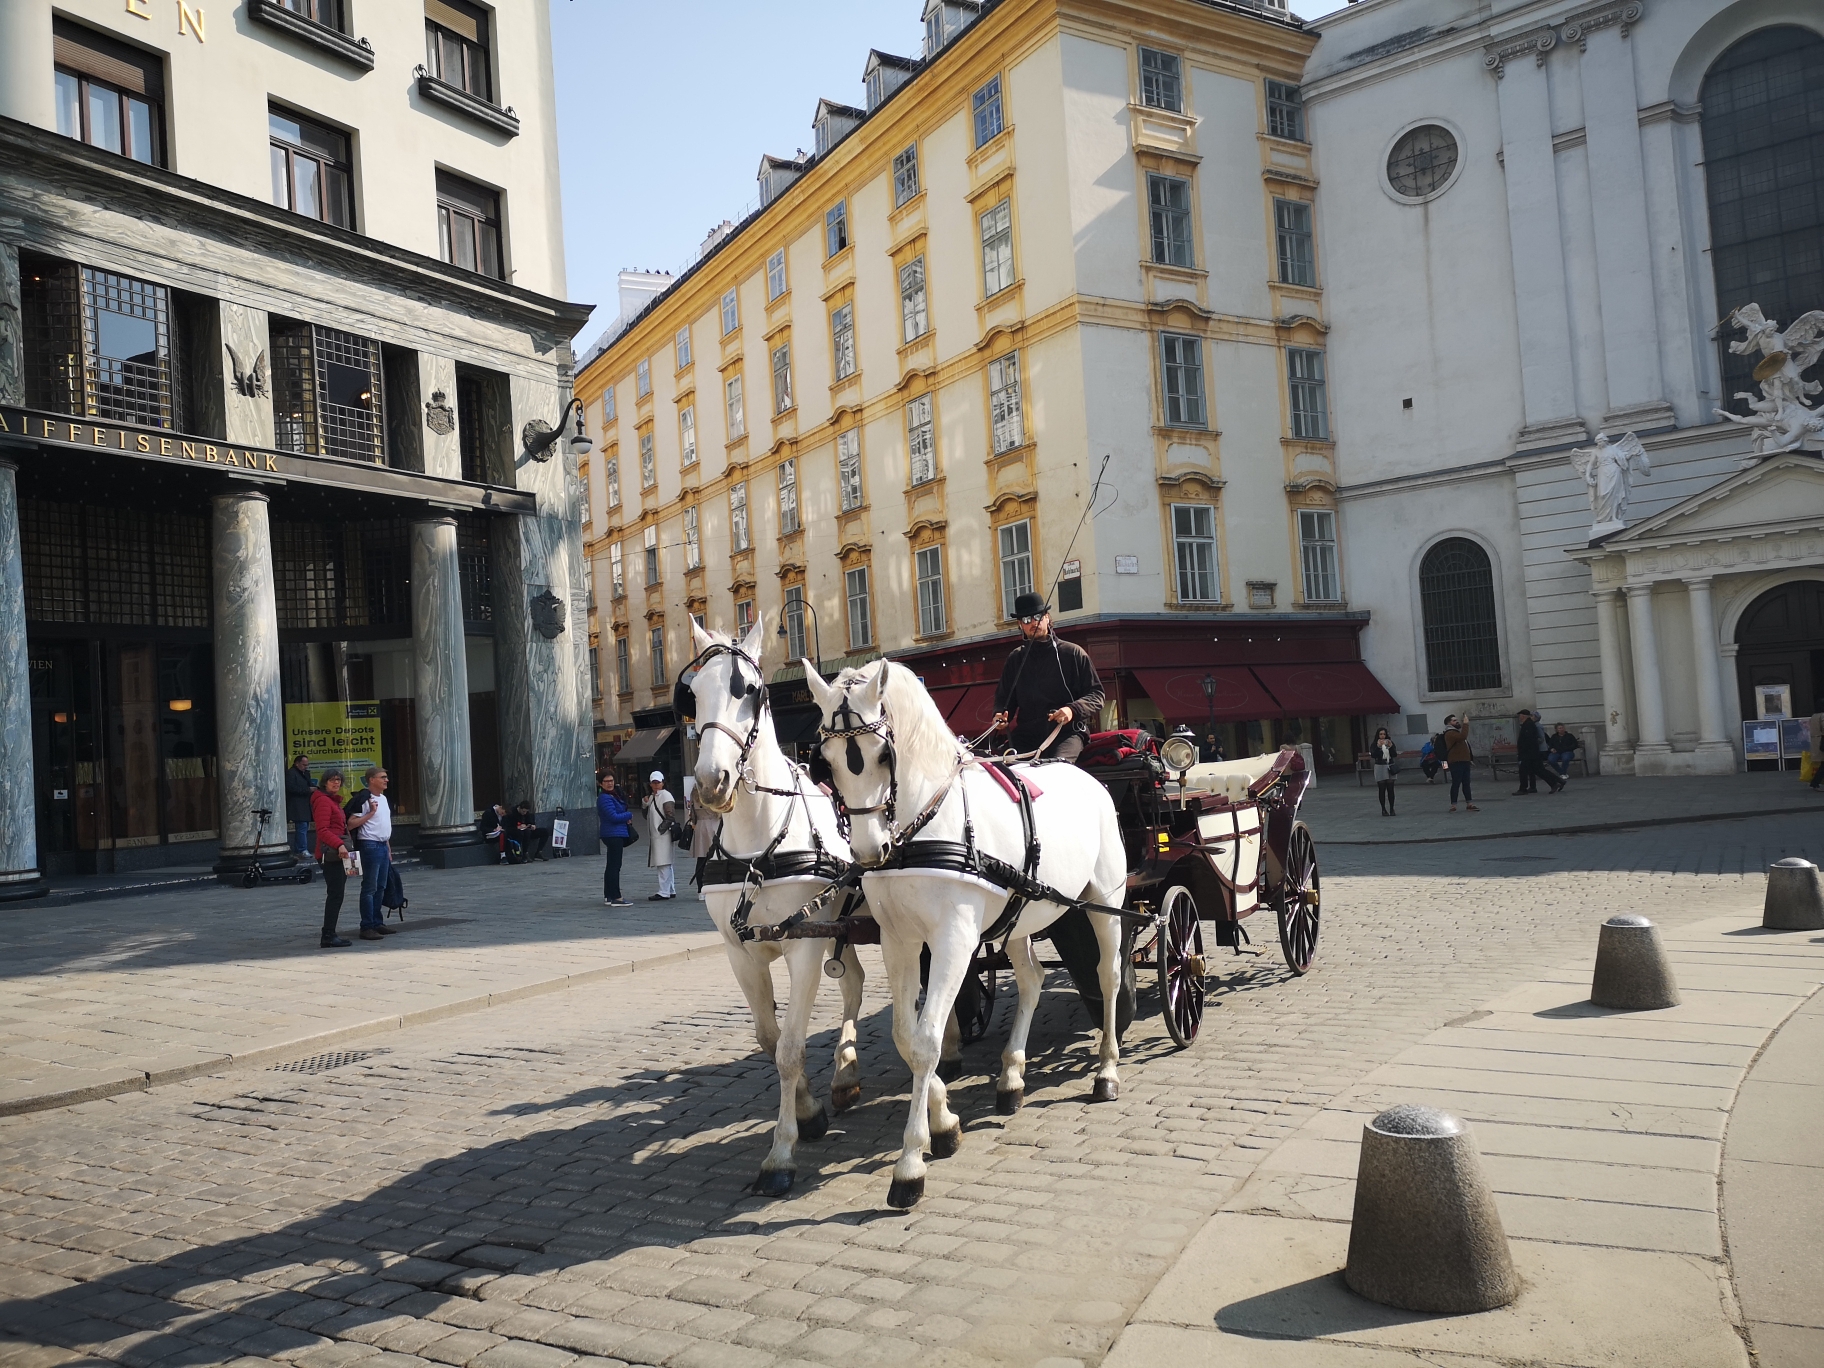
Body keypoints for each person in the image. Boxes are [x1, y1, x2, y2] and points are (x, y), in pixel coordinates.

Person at [990, 593, 1104, 761]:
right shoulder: (1015, 659)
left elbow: (1097, 695)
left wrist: (1072, 710)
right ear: (1020, 624)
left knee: (1058, 769)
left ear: (1047, 618)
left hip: (1066, 733)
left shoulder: (1072, 653)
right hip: (1026, 735)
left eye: (1037, 616)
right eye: (1027, 620)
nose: (1034, 623)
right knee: (999, 770)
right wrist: (999, 714)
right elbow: (1004, 699)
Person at [345, 767, 396, 941]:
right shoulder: (365, 799)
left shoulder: (383, 798)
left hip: (381, 845)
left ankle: (376, 922)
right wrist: (371, 813)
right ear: (371, 780)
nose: (386, 780)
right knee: (370, 887)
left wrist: (388, 847)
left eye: (386, 777)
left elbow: (383, 824)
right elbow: (351, 824)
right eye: (382, 777)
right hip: (370, 845)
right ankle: (366, 926)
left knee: (381, 886)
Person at [310, 770, 352, 948]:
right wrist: (339, 845)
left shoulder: (332, 801)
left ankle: (330, 932)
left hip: (339, 852)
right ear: (324, 782)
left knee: (338, 893)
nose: (336, 784)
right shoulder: (323, 801)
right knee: (335, 894)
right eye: (332, 780)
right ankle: (328, 934)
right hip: (331, 853)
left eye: (338, 781)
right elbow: (323, 830)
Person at [597, 773, 633, 906]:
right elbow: (613, 817)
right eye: (606, 781)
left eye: (611, 780)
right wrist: (628, 815)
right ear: (600, 784)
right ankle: (616, 897)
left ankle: (608, 895)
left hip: (614, 833)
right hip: (613, 834)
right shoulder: (605, 798)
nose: (610, 783)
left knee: (611, 865)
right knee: (615, 866)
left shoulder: (613, 795)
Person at [644, 770, 678, 900]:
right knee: (665, 862)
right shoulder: (653, 797)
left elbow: (670, 816)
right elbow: (647, 815)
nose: (656, 785)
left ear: (663, 783)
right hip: (658, 835)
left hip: (662, 835)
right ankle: (670, 889)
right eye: (654, 782)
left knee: (663, 862)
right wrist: (645, 804)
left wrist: (660, 829)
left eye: (658, 782)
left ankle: (664, 891)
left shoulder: (665, 796)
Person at [1513, 709, 1565, 795]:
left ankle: (1523, 789)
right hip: (1530, 753)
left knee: (1524, 770)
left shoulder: (1529, 725)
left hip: (1529, 753)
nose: (1519, 717)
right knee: (1539, 770)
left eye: (1520, 716)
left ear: (1523, 716)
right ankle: (1557, 782)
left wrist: (1524, 752)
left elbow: (1530, 740)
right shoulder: (1527, 724)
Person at [687, 784, 721, 900]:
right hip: (714, 825)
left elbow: (692, 814)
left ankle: (701, 889)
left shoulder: (694, 793)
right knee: (716, 859)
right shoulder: (715, 792)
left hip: (700, 827)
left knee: (701, 860)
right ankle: (715, 887)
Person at [1442, 714, 1478, 813]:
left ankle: (1469, 803)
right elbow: (1463, 736)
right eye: (1454, 720)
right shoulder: (1449, 733)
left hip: (1464, 761)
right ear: (1449, 723)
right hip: (1456, 762)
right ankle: (1453, 805)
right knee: (1456, 783)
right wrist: (1466, 724)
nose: (1457, 721)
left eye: (1457, 720)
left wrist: (1469, 759)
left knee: (1466, 783)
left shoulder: (1455, 732)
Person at [285, 754, 314, 857]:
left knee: (304, 827)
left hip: (304, 804)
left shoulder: (305, 773)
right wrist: (307, 790)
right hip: (296, 805)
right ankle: (302, 849)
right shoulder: (291, 773)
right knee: (302, 826)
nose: (306, 767)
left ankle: (300, 849)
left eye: (307, 765)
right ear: (297, 764)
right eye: (304, 764)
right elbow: (291, 788)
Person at [1369, 727, 1399, 816]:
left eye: (1384, 734)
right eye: (1381, 734)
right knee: (1382, 789)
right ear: (1378, 735)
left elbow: (1394, 754)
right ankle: (1383, 809)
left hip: (1389, 765)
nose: (1382, 736)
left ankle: (1392, 808)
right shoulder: (1374, 744)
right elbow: (1373, 755)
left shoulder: (1390, 742)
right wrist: (1378, 747)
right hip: (1380, 766)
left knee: (1391, 789)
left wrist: (1391, 747)